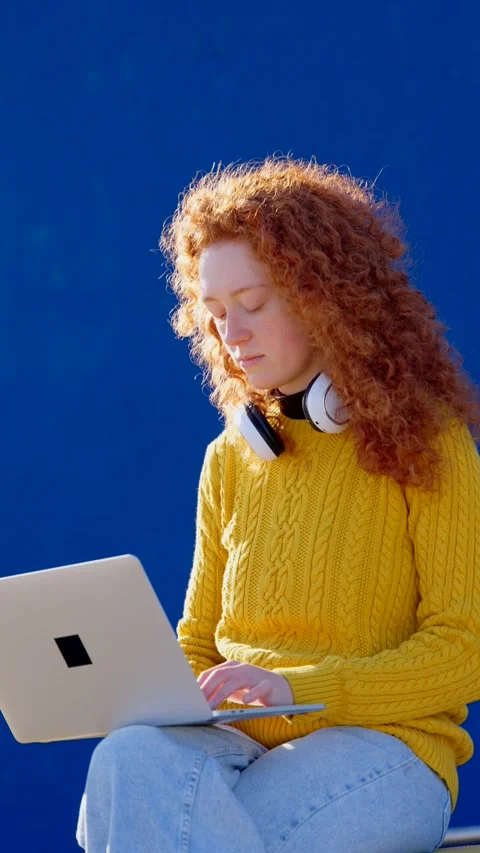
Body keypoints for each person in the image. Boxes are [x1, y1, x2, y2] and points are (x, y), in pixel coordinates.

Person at [76, 156, 480, 853]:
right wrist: (162, 693)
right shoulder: (230, 458)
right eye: (215, 313)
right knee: (127, 757)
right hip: (235, 745)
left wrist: (297, 686)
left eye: (254, 303)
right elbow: (199, 642)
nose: (231, 333)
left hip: (385, 747)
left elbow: (463, 650)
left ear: (327, 296)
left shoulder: (427, 441)